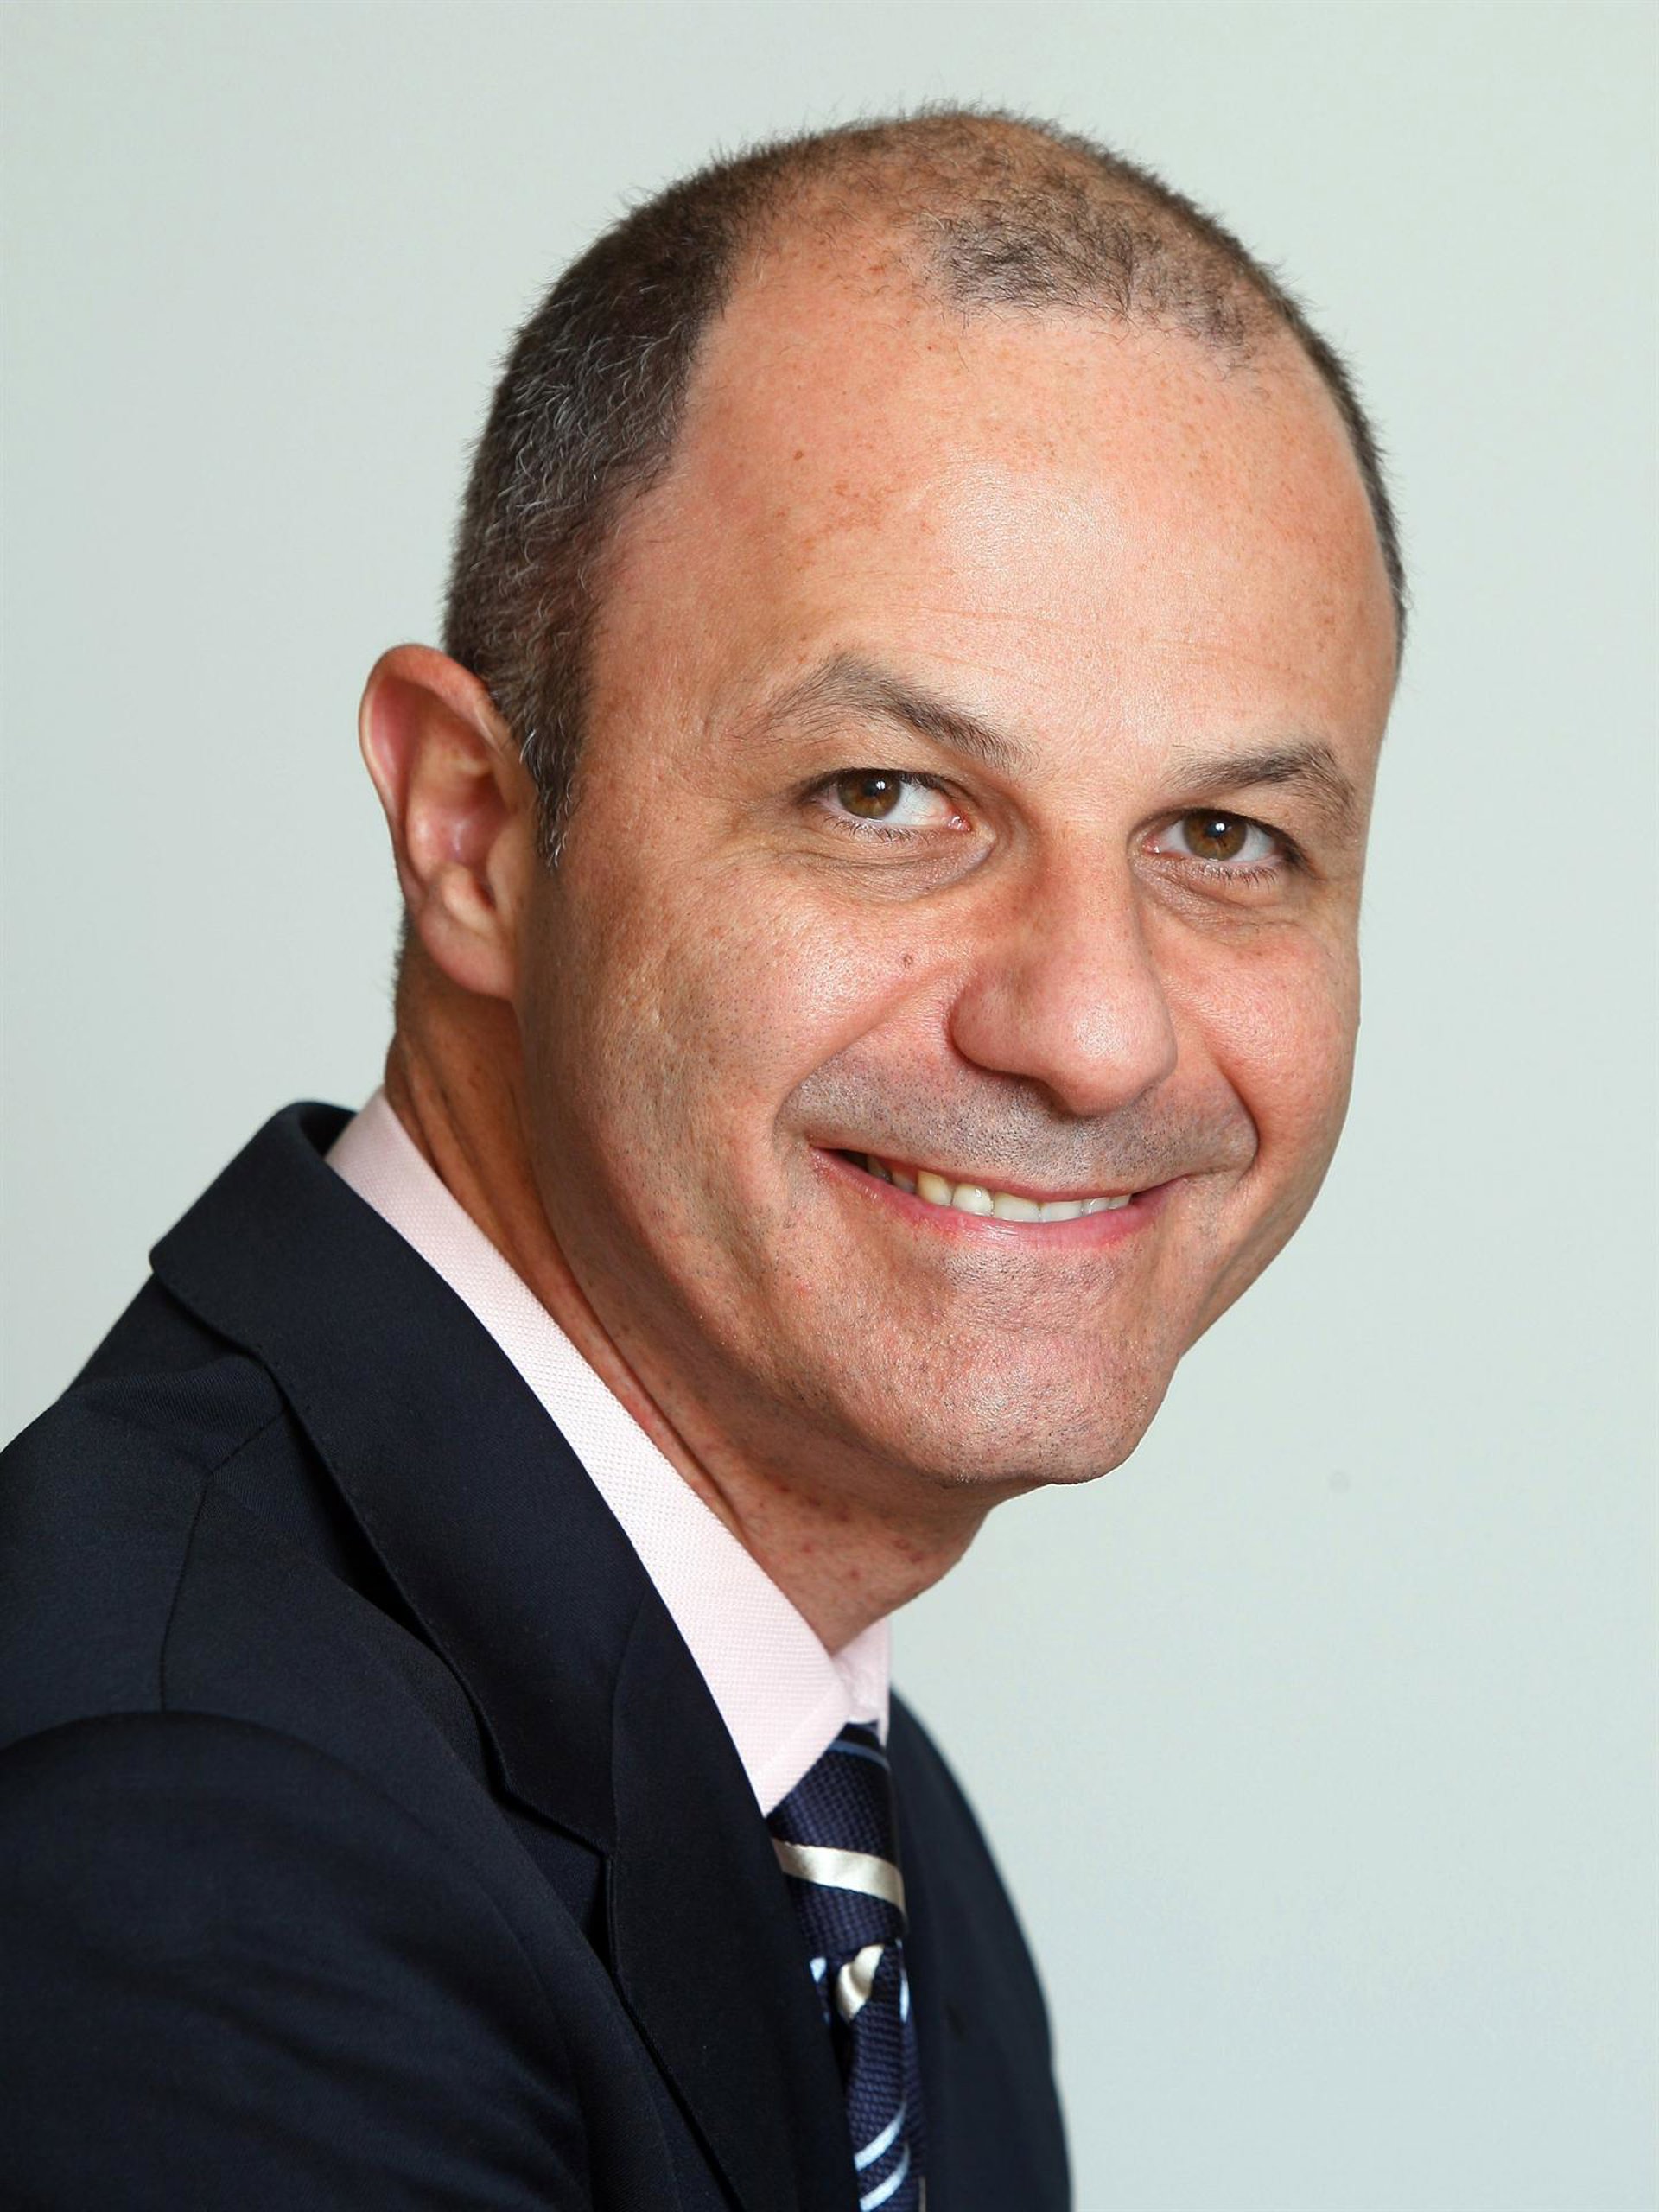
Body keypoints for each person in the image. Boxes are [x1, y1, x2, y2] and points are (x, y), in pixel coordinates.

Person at [0, 109, 1402, 2210]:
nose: (1097, 1028)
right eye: (886, 793)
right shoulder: (192, 1850)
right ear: (474, 826)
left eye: (1226, 837)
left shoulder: (847, 1818)